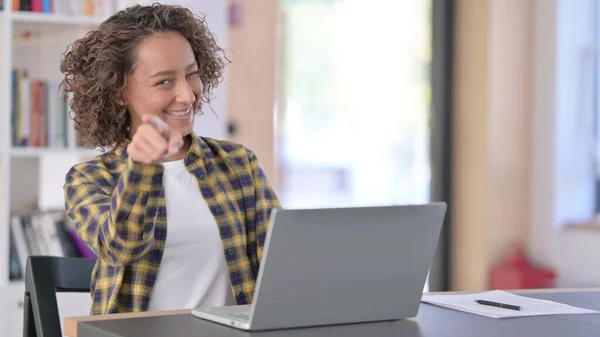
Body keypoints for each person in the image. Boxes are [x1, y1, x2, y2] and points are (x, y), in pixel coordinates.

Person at [60, 3, 280, 315]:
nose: (187, 95)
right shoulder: (90, 178)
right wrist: (141, 169)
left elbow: (281, 266)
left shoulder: (238, 164)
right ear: (119, 90)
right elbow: (121, 248)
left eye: (191, 75)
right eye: (164, 81)